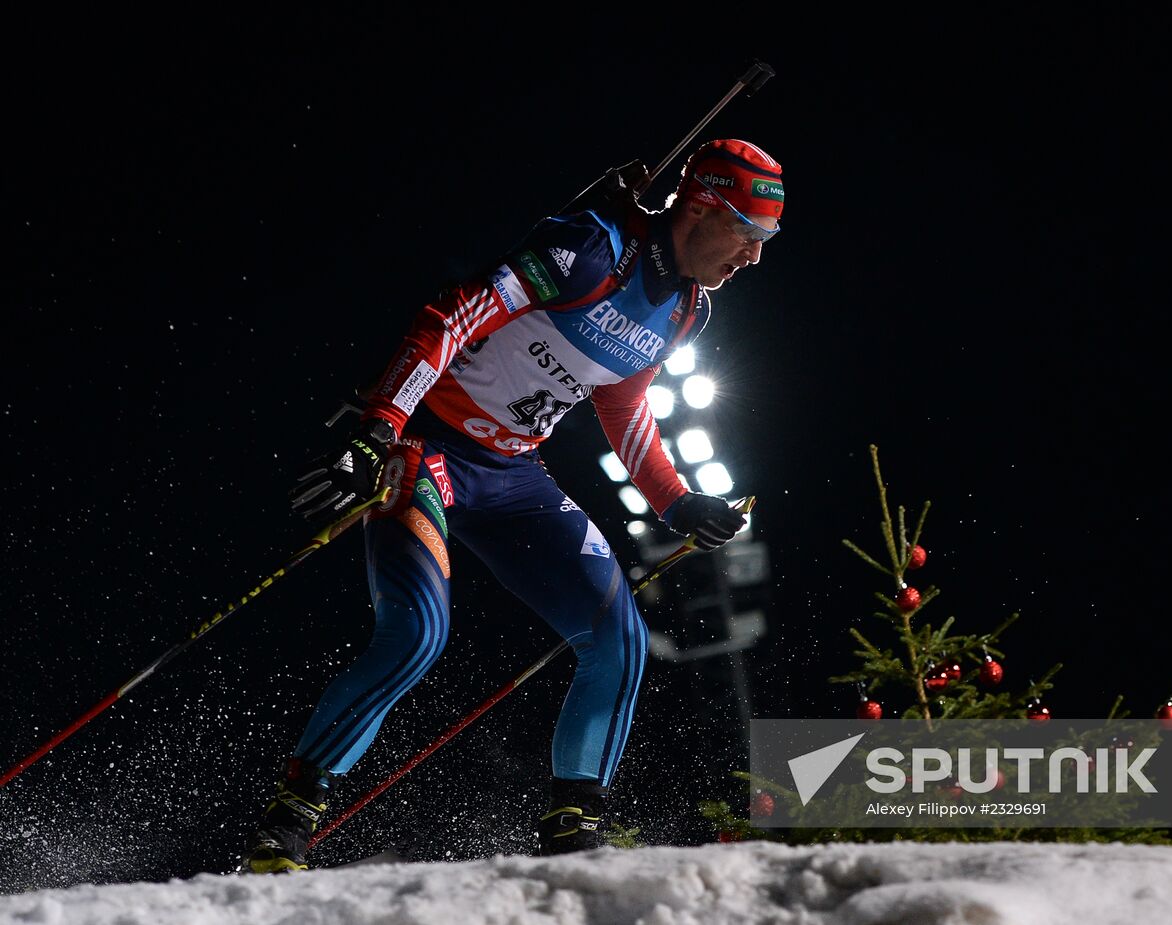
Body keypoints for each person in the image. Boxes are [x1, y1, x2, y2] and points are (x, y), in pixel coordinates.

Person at [239, 138, 785, 872]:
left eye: (765, 241)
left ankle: (573, 830)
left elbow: (623, 403)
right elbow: (453, 316)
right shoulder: (592, 250)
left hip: (512, 476)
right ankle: (288, 821)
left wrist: (677, 500)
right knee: (417, 633)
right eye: (748, 234)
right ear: (702, 206)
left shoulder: (687, 310)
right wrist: (378, 428)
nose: (752, 257)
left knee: (619, 635)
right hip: (429, 453)